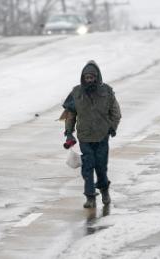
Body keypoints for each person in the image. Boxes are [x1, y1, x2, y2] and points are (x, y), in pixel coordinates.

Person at [62, 60, 121, 208]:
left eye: (92, 78)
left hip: (102, 135)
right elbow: (70, 115)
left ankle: (104, 189)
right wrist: (69, 133)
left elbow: (115, 112)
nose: (89, 81)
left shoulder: (106, 91)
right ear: (83, 78)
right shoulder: (76, 93)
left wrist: (112, 127)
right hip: (85, 136)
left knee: (101, 167)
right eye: (86, 78)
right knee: (87, 167)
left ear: (97, 77)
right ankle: (90, 197)